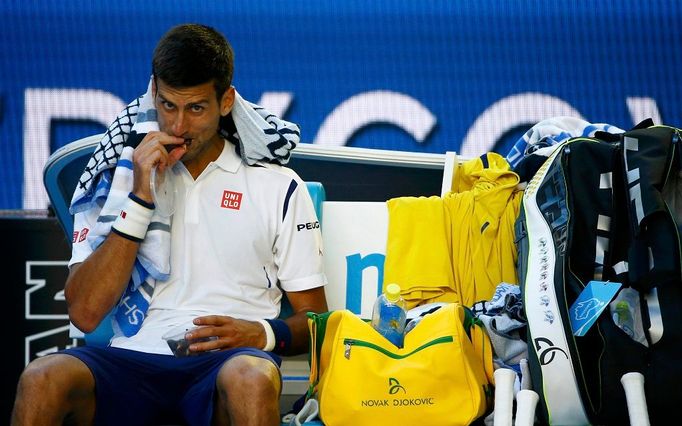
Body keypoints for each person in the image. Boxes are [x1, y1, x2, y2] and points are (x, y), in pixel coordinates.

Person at [12, 23, 328, 426]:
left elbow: (316, 322)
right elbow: (85, 315)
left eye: (195, 108)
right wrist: (140, 197)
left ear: (226, 101)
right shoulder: (117, 181)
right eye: (167, 106)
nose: (178, 126)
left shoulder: (279, 186)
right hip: (129, 360)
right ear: (153, 96)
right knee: (41, 377)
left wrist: (262, 334)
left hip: (226, 364)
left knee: (253, 376)